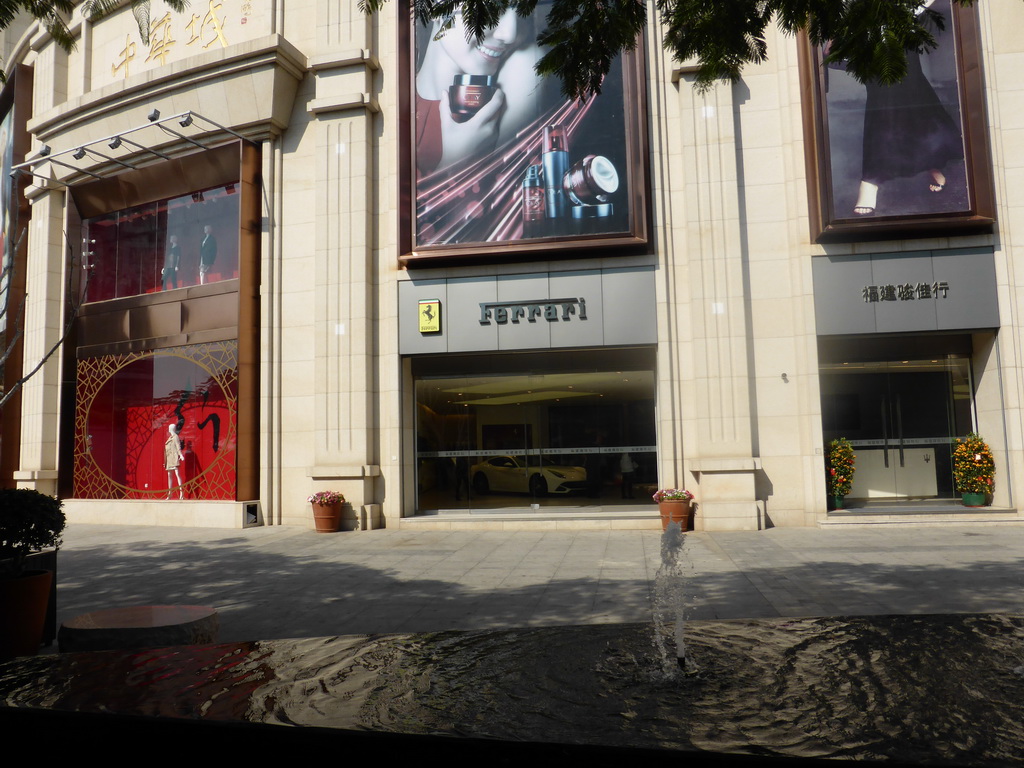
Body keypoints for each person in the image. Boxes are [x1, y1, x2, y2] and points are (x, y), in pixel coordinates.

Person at [851, 0, 964, 216]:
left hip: (903, 54)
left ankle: (932, 165)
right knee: (883, 114)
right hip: (871, 48)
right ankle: (870, 182)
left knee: (916, 110)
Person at [414, 9, 543, 175]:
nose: (510, 34)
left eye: (523, 10)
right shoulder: (390, 102)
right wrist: (453, 163)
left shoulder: (523, 71)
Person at [164, 423, 185, 500]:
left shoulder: (175, 437)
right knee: (169, 476)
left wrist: (181, 455)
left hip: (174, 457)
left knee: (177, 475)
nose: (169, 429)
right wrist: (165, 462)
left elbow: (178, 447)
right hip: (169, 459)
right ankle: (170, 494)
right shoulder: (170, 438)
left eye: (170, 428)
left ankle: (181, 493)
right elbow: (166, 451)